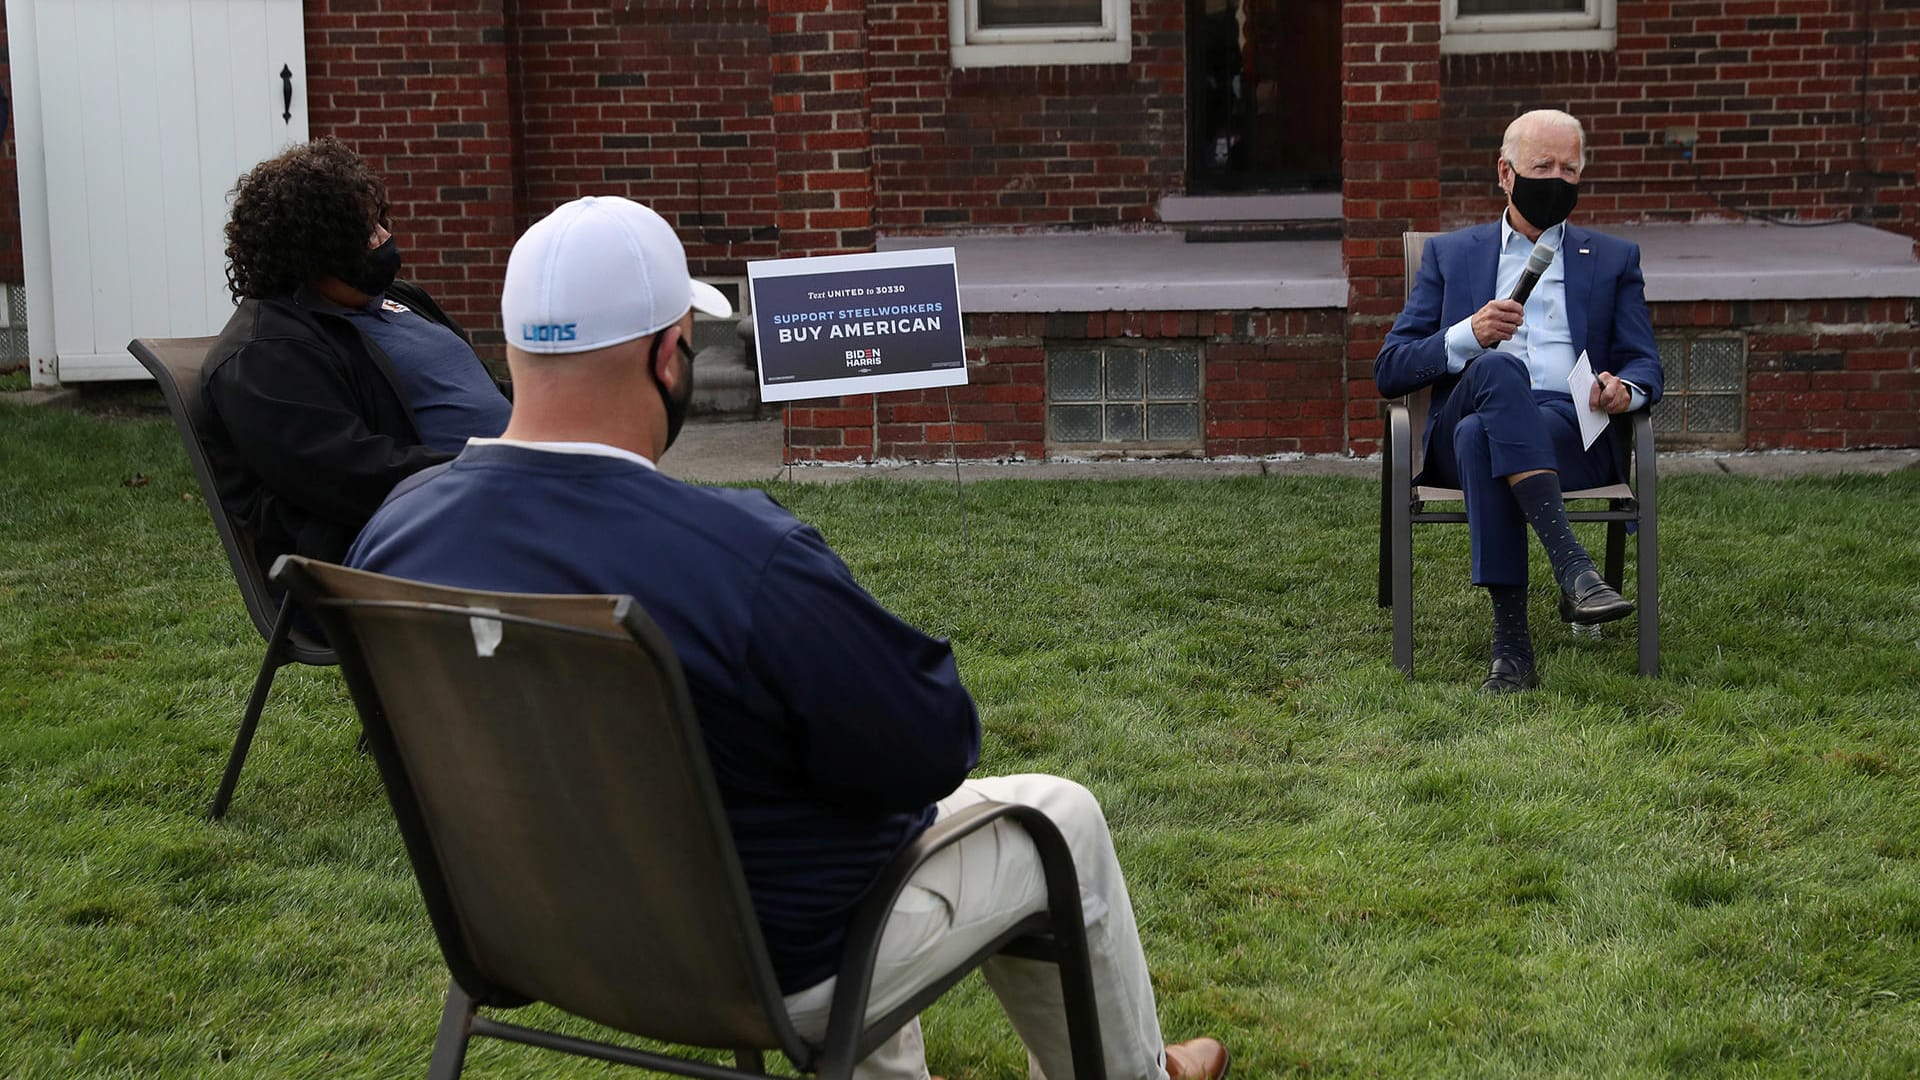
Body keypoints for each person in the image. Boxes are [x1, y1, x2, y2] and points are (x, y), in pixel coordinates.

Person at [345, 195, 1231, 1080]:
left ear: (515, 348)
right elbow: (931, 748)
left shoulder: (396, 533)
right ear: (668, 354)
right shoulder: (741, 556)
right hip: (759, 966)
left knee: (826, 837)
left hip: (523, 933)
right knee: (1054, 817)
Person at [1374, 109, 1663, 693]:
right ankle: (1572, 566)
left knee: (1483, 438)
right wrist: (1467, 335)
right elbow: (1390, 368)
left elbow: (1645, 363)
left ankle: (1513, 650)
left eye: (1569, 168)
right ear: (1505, 174)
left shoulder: (1612, 258)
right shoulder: (1452, 255)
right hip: (1464, 413)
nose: (1556, 178)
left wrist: (1623, 390)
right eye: (1542, 166)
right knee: (1499, 369)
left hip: (1567, 430)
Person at [201, 138, 511, 573]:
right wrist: (497, 470)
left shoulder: (401, 301)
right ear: (314, 251)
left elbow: (477, 392)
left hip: (504, 507)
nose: (384, 238)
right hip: (416, 552)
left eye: (380, 222)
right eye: (366, 232)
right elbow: (350, 475)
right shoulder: (264, 354)